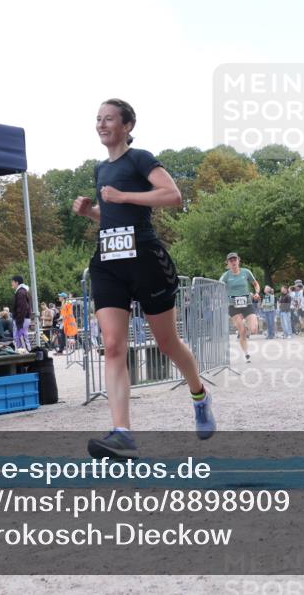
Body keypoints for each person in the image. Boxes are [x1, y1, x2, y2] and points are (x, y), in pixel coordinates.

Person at [71, 98, 213, 458]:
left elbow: (172, 195)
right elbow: (113, 215)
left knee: (167, 344)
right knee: (114, 345)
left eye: (109, 119)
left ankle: (198, 394)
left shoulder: (140, 159)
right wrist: (92, 213)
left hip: (145, 260)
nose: (102, 125)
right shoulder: (100, 168)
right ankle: (122, 434)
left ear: (127, 126)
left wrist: (123, 195)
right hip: (108, 262)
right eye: (97, 119)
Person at [219, 252, 260, 362]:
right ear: (227, 263)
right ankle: (246, 354)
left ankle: (247, 325)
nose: (233, 262)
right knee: (241, 331)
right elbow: (218, 286)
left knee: (254, 329)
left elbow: (255, 284)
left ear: (238, 260)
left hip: (247, 304)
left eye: (235, 260)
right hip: (233, 306)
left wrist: (257, 293)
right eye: (230, 260)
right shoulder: (226, 275)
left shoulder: (246, 272)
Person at [11, 275, 32, 349]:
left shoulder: (20, 292)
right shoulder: (23, 291)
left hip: (21, 320)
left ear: (17, 282)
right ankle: (24, 355)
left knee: (21, 338)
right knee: (21, 338)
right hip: (23, 319)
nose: (11, 284)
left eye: (12, 282)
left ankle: (26, 356)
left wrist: (19, 322)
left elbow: (22, 308)